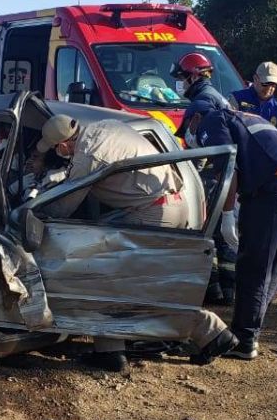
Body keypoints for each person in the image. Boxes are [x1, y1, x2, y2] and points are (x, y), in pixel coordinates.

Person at [32, 114, 237, 371]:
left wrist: (33, 210)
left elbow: (64, 207)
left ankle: (210, 333)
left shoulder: (87, 155)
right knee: (124, 285)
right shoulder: (103, 125)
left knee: (117, 285)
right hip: (169, 202)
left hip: (153, 211)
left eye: (55, 149)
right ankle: (111, 350)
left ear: (63, 146)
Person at [185, 101, 277, 360]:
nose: (190, 137)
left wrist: (227, 214)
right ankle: (251, 330)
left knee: (254, 264)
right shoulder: (244, 116)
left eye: (188, 129)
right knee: (272, 265)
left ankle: (244, 339)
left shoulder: (211, 120)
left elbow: (229, 169)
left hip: (272, 187)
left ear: (195, 118)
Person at [172, 52, 236, 306]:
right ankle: (223, 291)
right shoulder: (216, 97)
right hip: (224, 178)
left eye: (182, 78)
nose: (180, 84)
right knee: (219, 236)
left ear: (194, 76)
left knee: (207, 235)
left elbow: (200, 149)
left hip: (214, 179)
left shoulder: (201, 105)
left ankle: (218, 291)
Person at [231, 62, 277, 138]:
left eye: (273, 85)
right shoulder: (237, 99)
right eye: (265, 83)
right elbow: (227, 129)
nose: (269, 88)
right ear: (255, 79)